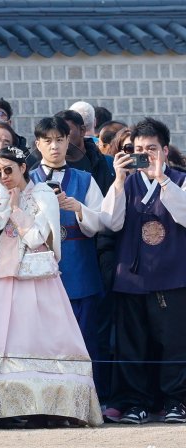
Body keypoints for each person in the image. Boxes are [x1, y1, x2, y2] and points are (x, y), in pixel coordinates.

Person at [0, 146, 103, 427]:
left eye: (8, 170)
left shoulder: (43, 194)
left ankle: (49, 408)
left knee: (41, 338)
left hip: (35, 277)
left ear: (23, 168)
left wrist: (16, 211)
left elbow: (40, 237)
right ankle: (1, 408)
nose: (3, 177)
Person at [101, 117, 186, 424]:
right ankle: (134, 402)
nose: (146, 154)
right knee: (132, 344)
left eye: (152, 148)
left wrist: (163, 179)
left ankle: (176, 400)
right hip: (132, 277)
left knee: (175, 343)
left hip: (173, 275)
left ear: (165, 149)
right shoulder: (126, 181)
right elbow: (110, 222)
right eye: (138, 149)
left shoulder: (179, 178)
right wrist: (118, 180)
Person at [29, 116, 107, 400]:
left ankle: (86, 399)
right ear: (37, 144)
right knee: (44, 339)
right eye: (47, 140)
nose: (54, 146)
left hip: (79, 265)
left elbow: (101, 222)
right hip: (40, 267)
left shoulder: (85, 179)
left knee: (84, 337)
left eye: (59, 140)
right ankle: (48, 401)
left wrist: (78, 208)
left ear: (68, 142)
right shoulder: (28, 179)